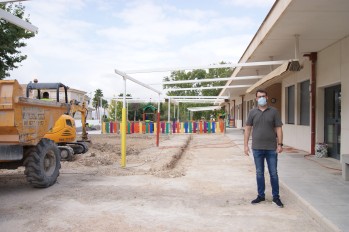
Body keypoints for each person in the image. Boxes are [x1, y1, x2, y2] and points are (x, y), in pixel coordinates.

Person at [244, 89, 284, 208]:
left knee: (273, 173)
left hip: (271, 148)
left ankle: (276, 197)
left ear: (267, 97)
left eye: (263, 96)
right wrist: (245, 145)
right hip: (257, 148)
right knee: (259, 173)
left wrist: (280, 144)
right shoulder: (252, 112)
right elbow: (247, 129)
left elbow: (279, 128)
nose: (261, 98)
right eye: (259, 96)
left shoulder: (274, 111)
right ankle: (261, 195)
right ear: (256, 99)